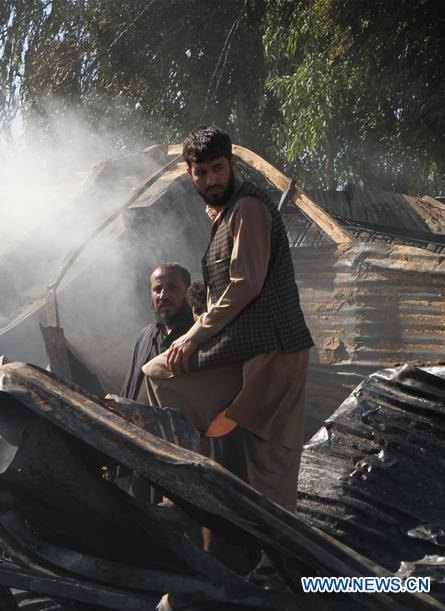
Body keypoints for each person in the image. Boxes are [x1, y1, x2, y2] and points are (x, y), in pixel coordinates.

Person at [144, 125, 313, 513]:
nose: (211, 179)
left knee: (270, 466)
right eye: (202, 172)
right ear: (191, 174)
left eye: (217, 169)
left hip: (276, 351)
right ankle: (186, 480)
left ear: (232, 164)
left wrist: (194, 336)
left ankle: (278, 568)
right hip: (242, 349)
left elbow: (246, 284)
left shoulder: (249, 209)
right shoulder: (222, 213)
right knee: (159, 373)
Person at [120, 263, 194, 403]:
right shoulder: (145, 337)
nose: (163, 295)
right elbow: (130, 388)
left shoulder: (197, 333)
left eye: (172, 288)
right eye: (157, 289)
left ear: (187, 291)